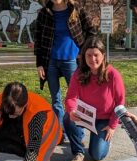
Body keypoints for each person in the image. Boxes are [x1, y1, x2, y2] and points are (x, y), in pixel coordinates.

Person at [34, 0, 94, 135]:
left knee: (76, 99)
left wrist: (83, 51)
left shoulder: (77, 10)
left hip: (71, 61)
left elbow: (91, 31)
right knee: (56, 100)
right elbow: (38, 39)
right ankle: (60, 133)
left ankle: (78, 133)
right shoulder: (44, 13)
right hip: (51, 62)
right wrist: (39, 64)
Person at [63, 37, 126, 161]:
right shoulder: (78, 74)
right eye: (89, 55)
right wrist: (72, 110)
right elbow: (70, 98)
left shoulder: (113, 75)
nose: (92, 59)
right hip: (85, 116)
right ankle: (78, 152)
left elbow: (120, 102)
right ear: (83, 57)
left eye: (96, 55)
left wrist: (112, 126)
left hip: (104, 119)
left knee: (97, 155)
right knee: (67, 118)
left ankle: (102, 139)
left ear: (103, 55)